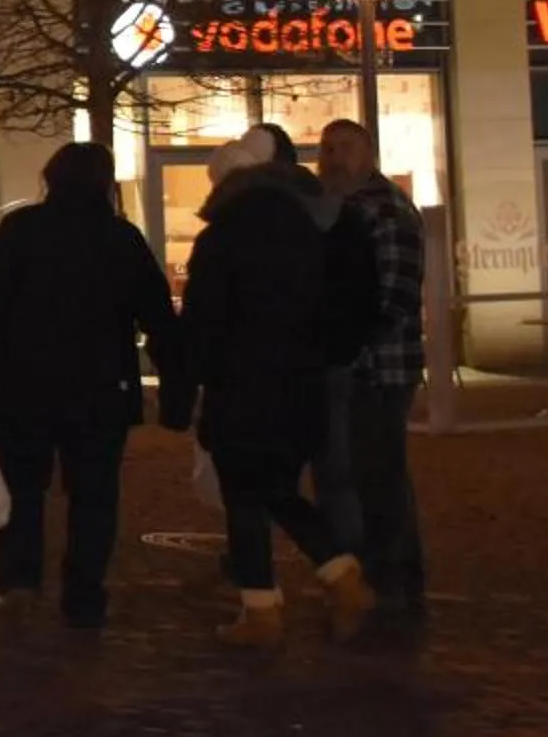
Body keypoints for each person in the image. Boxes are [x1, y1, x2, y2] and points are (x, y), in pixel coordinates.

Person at [0, 141, 187, 628]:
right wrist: (178, 382)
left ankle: (20, 582)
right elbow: (157, 314)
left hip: (22, 386)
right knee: (95, 494)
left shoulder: (22, 230)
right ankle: (83, 591)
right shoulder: (119, 238)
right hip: (99, 387)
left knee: (21, 487)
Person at [175, 126, 374, 645]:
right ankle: (336, 577)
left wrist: (181, 389)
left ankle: (267, 607)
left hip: (240, 387)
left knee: (246, 496)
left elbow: (202, 321)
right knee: (279, 490)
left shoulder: (221, 237)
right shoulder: (308, 227)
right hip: (301, 384)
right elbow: (337, 305)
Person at [315, 116, 428, 624]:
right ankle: (389, 575)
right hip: (364, 362)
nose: (334, 157)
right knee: (372, 473)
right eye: (327, 148)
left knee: (379, 473)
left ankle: (392, 578)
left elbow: (399, 292)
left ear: (369, 155)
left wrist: (361, 339)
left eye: (345, 147)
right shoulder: (345, 209)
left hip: (382, 367)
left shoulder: (384, 211)